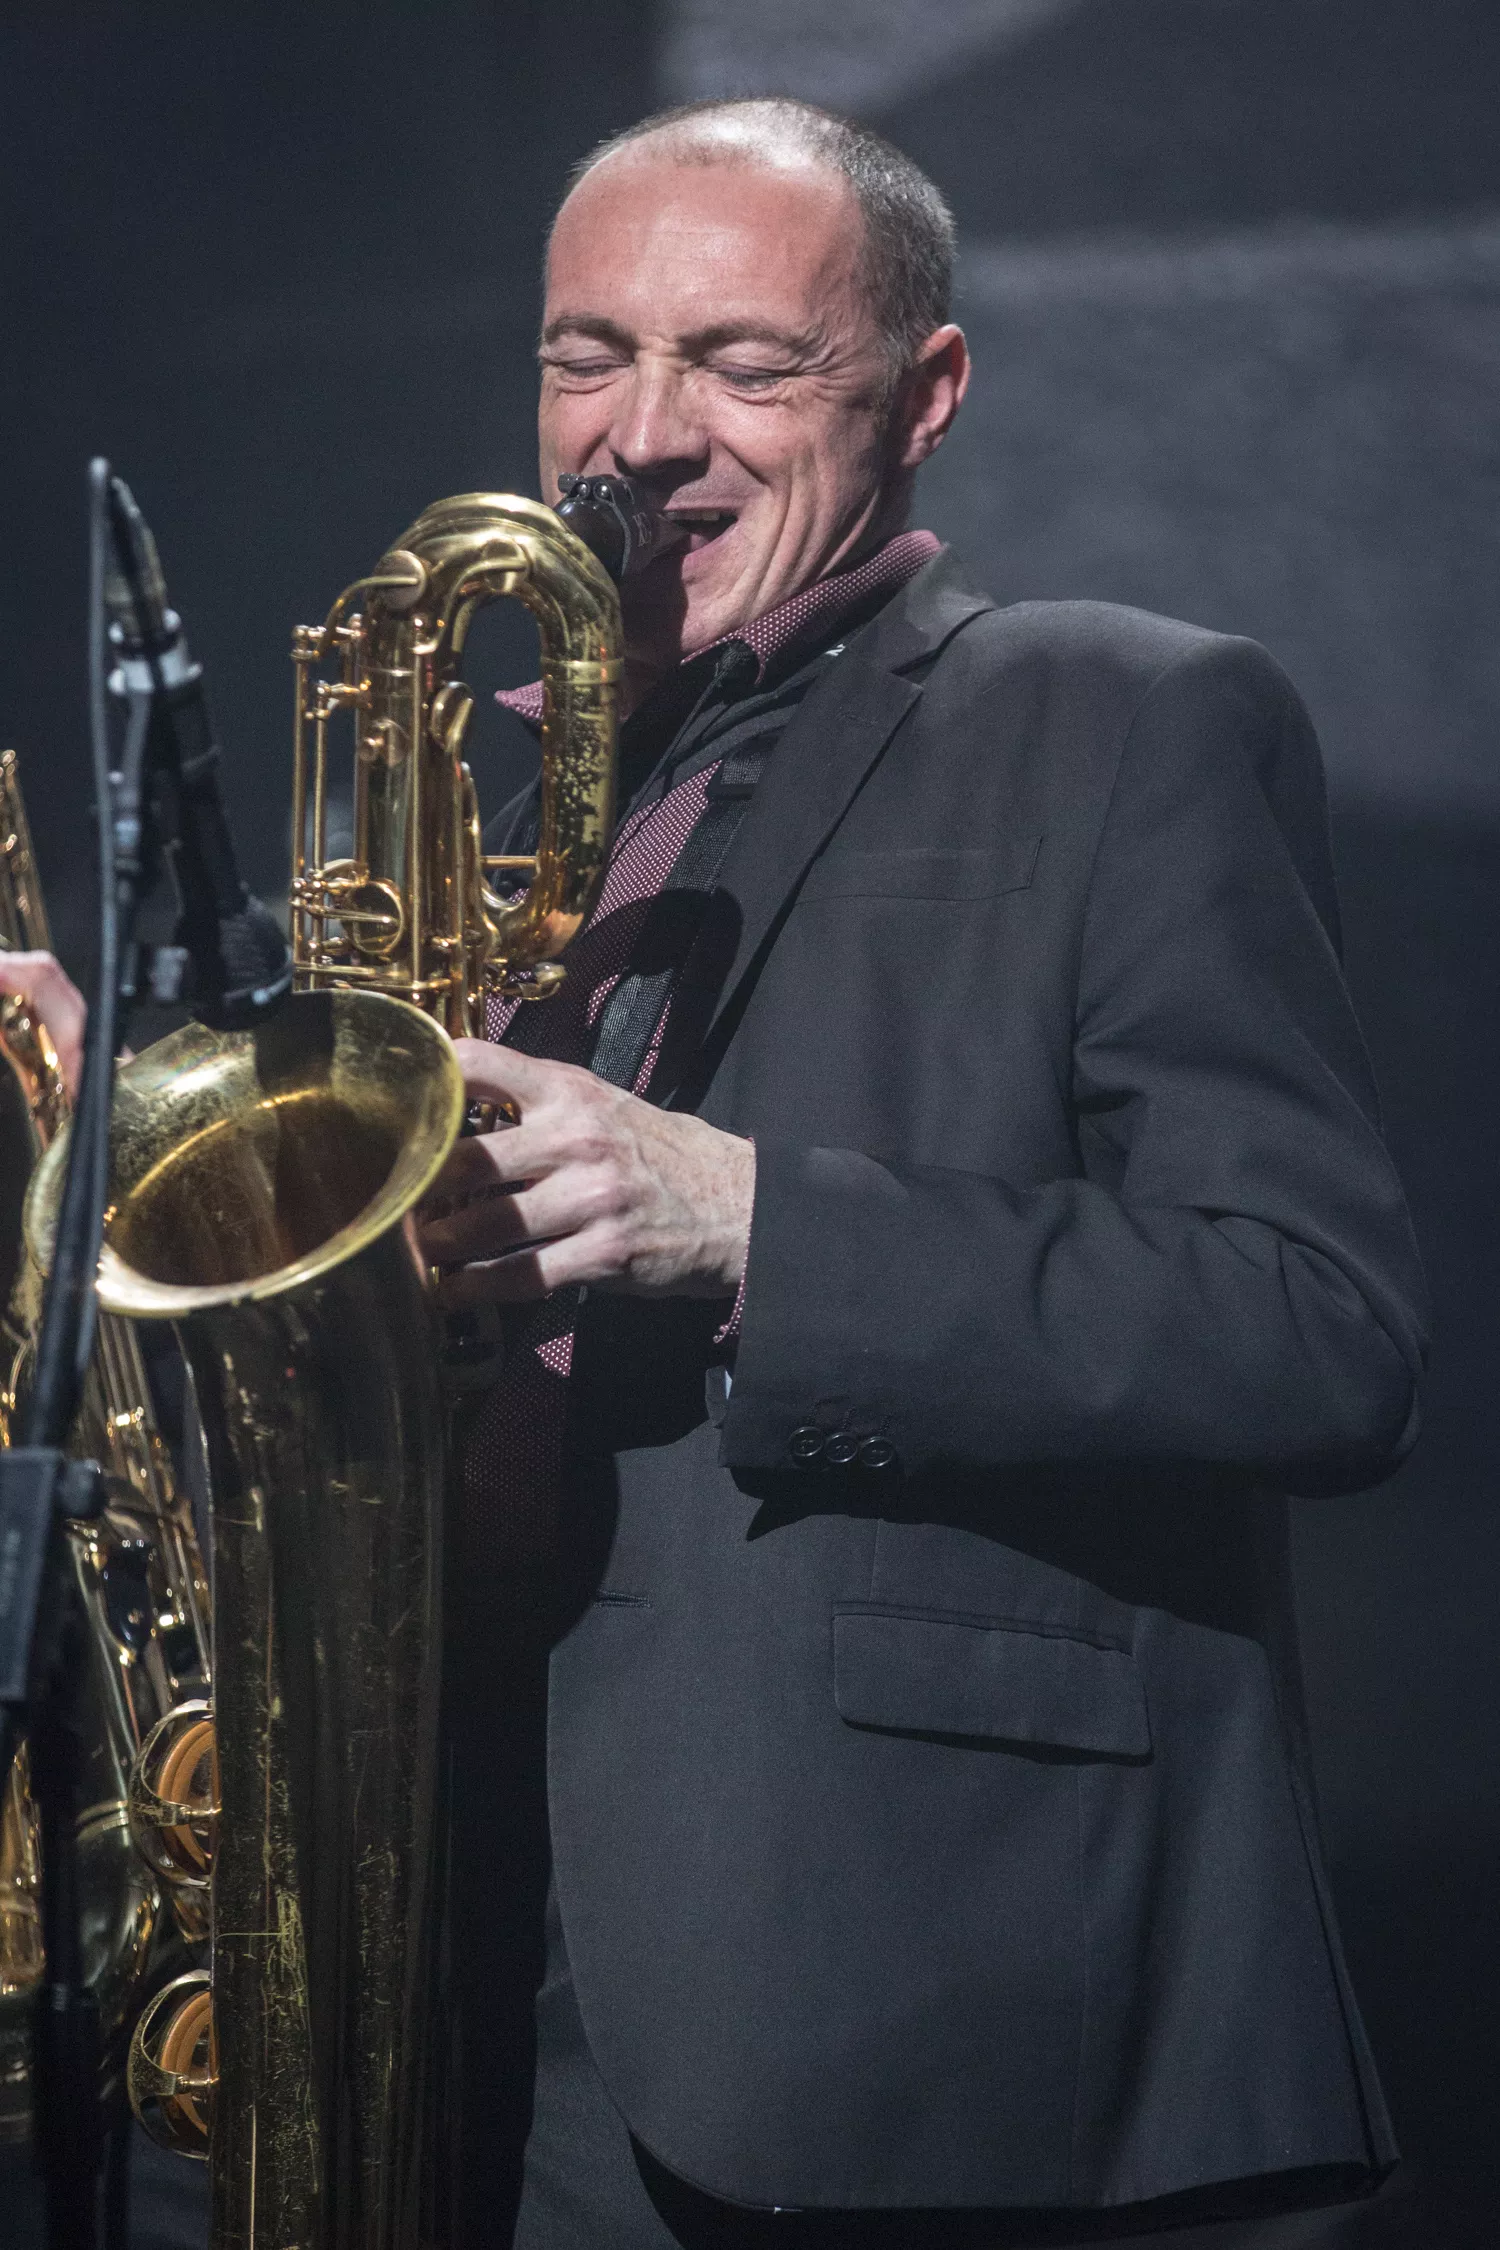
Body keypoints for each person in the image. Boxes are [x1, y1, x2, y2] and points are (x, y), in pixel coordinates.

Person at [4, 98, 1428, 2250]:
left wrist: (750, 1218)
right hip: (431, 1950)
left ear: (923, 395)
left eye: (747, 365)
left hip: (910, 2003)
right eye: (589, 356)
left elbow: (1322, 1330)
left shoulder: (1128, 715)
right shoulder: (483, 805)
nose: (644, 435)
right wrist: (116, 1110)